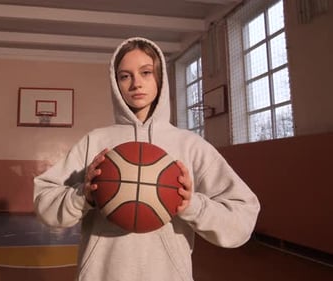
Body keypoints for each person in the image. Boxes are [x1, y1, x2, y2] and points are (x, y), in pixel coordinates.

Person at [33, 37, 260, 281]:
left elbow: (243, 217)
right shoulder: (96, 142)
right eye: (125, 76)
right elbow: (44, 199)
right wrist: (83, 196)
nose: (136, 83)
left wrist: (191, 205)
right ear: (115, 82)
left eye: (146, 72)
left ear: (159, 78)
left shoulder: (189, 145)